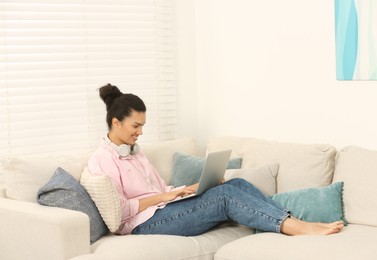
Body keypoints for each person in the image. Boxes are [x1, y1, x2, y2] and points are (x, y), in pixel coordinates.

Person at [88, 83, 344, 236]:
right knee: (223, 197)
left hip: (163, 209)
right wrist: (163, 197)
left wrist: (182, 191)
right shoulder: (103, 161)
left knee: (234, 185)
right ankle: (296, 228)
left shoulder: (135, 152)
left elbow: (161, 190)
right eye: (136, 125)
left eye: (142, 126)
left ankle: (293, 221)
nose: (140, 132)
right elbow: (118, 213)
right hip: (142, 226)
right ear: (115, 122)